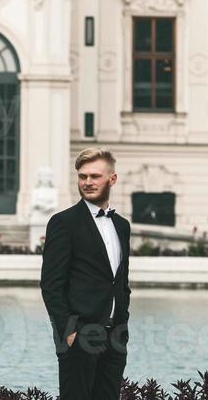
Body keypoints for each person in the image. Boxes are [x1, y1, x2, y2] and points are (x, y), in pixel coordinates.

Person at [40, 148, 131, 400]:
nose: (87, 182)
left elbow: (121, 283)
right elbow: (51, 284)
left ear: (112, 179)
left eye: (94, 176)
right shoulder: (63, 222)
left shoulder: (122, 226)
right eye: (82, 176)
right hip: (79, 335)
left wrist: (122, 325)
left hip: (115, 336)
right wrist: (68, 332)